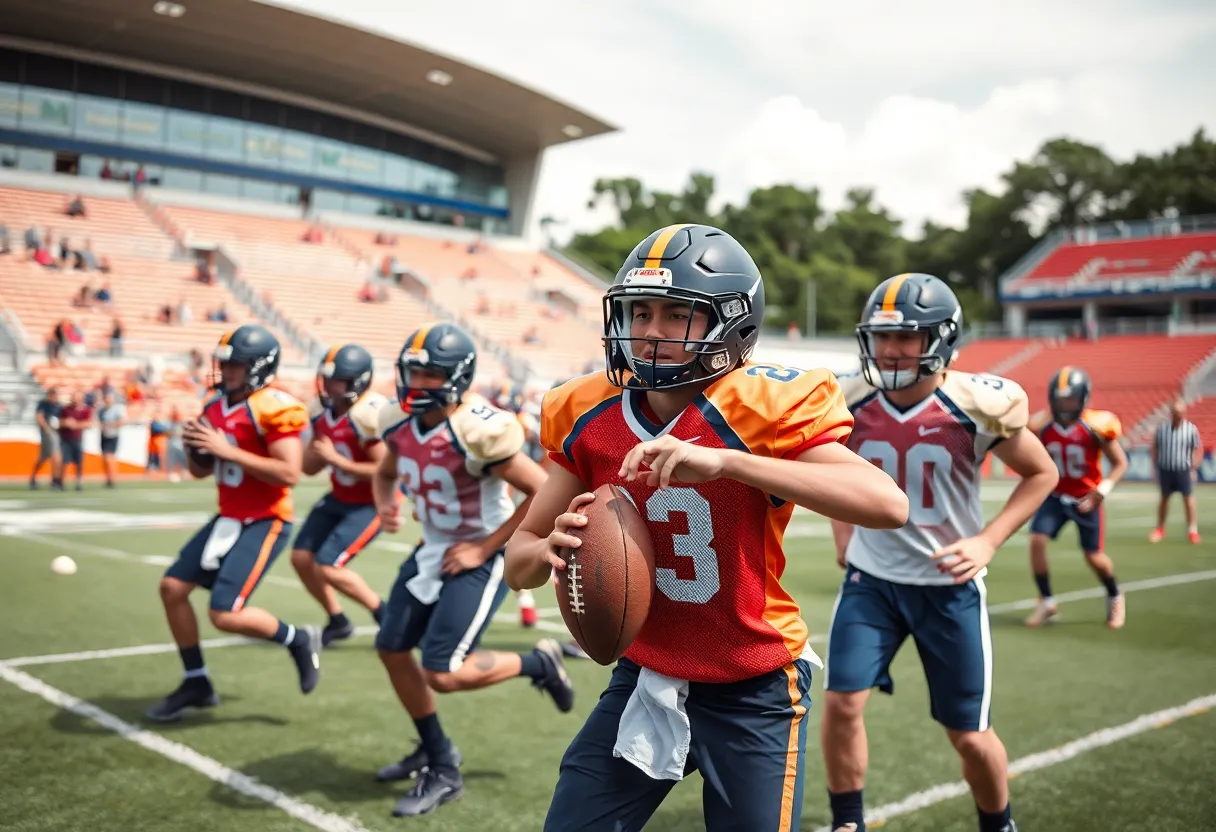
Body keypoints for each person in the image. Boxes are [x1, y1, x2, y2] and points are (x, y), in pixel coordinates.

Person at [505, 224, 910, 832]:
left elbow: (887, 504)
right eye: (640, 311)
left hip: (753, 681)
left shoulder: (760, 407)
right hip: (645, 673)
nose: (650, 331)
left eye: (676, 314)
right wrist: (547, 552)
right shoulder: (587, 412)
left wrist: (730, 463)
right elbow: (519, 560)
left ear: (731, 325)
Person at [822, 273, 1059, 832]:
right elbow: (829, 471)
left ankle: (998, 824)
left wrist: (987, 540)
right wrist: (842, 532)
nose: (890, 349)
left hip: (948, 587)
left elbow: (1041, 472)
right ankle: (848, 822)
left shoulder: (975, 406)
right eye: (881, 336)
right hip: (873, 582)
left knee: (969, 735)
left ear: (941, 339)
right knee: (841, 705)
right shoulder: (848, 401)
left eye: (905, 336)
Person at [371, 322, 575, 818]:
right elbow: (385, 470)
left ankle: (538, 664)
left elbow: (541, 491)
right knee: (392, 647)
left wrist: (484, 549)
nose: (417, 383)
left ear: (457, 378)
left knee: (441, 672)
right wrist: (385, 503)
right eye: (412, 372)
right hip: (433, 548)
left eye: (430, 375)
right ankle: (437, 756)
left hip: (481, 552)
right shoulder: (396, 422)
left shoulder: (478, 430)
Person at [146, 325, 320, 722]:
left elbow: (290, 473)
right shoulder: (214, 406)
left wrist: (227, 450)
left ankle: (298, 639)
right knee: (172, 588)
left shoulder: (273, 406)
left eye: (235, 365)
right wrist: (197, 450)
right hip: (228, 516)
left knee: (225, 614)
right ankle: (196, 681)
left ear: (258, 367)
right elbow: (200, 473)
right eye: (224, 364)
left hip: (266, 519)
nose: (225, 371)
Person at [291, 344, 390, 646]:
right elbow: (308, 468)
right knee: (301, 557)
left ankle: (385, 615)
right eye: (327, 378)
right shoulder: (322, 411)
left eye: (337, 380)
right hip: (340, 496)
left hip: (372, 502)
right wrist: (315, 453)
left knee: (329, 565)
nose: (328, 386)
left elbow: (385, 471)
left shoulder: (366, 415)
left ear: (357, 382)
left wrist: (336, 460)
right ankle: (337, 620)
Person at [1024, 367, 1128, 629]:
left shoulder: (1095, 427)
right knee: (1037, 540)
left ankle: (1115, 595)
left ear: (1083, 399)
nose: (1065, 405)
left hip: (1086, 498)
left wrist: (1102, 490)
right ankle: (1047, 602)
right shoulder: (1041, 426)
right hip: (1056, 495)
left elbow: (1120, 463)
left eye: (1070, 399)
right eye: (1061, 400)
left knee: (1094, 557)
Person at [1149, 397, 1202, 544]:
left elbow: (1198, 448)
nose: (1178, 415)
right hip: (1166, 469)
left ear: (1184, 413)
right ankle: (1160, 529)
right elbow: (1155, 448)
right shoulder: (1162, 429)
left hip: (1183, 469)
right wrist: (1154, 467)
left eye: (1180, 412)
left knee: (1188, 499)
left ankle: (1192, 530)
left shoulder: (1191, 429)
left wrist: (1194, 467)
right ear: (1171, 413)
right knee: (1164, 498)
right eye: (1175, 412)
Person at [30, 386, 63, 489]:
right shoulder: (43, 404)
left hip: (56, 434)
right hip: (47, 434)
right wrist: (47, 429)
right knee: (45, 457)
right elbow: (39, 417)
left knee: (56, 457)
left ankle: (55, 480)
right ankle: (35, 477)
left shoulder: (59, 406)